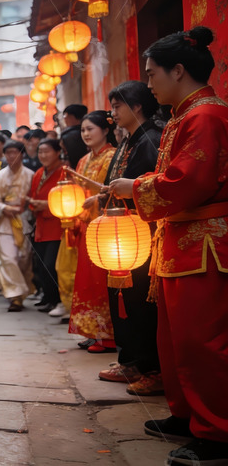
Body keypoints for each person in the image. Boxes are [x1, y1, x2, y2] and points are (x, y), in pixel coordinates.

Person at [109, 26, 228, 465]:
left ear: (178, 70)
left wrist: (133, 187)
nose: (149, 81)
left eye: (152, 73)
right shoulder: (184, 115)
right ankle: (188, 415)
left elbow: (189, 182)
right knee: (176, 339)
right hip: (181, 243)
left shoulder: (206, 116)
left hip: (205, 245)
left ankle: (217, 434)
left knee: (203, 341)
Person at [96, 81, 163, 396]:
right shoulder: (131, 140)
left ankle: (150, 367)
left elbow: (151, 186)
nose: (113, 114)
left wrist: (125, 190)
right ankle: (132, 360)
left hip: (140, 233)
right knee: (125, 300)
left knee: (140, 302)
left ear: (137, 107)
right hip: (123, 233)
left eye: (117, 106)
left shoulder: (149, 139)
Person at [68, 111, 118, 353]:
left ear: (106, 130)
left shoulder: (113, 156)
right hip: (87, 225)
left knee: (102, 280)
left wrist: (98, 198)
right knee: (87, 280)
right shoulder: (83, 161)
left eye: (90, 129)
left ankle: (108, 335)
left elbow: (114, 190)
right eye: (83, 130)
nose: (86, 134)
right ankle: (91, 330)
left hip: (105, 226)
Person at [0, 140, 35, 312]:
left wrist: (25, 206)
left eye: (16, 152)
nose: (12, 156)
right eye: (9, 153)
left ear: (22, 154)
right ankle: (14, 296)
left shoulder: (30, 175)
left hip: (24, 221)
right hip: (5, 224)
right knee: (8, 259)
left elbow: (34, 198)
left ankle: (20, 294)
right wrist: (4, 208)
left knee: (23, 259)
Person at [27, 138, 65, 315]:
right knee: (42, 264)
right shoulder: (39, 173)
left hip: (57, 226)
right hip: (41, 225)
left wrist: (45, 205)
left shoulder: (65, 172)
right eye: (40, 151)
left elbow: (67, 200)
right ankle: (49, 297)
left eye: (47, 151)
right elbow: (33, 195)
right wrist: (34, 203)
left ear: (58, 152)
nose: (43, 155)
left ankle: (58, 299)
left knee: (52, 264)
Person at [60, 104, 89, 169]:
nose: (65, 119)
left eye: (65, 116)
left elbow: (74, 157)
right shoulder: (84, 131)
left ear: (72, 116)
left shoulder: (70, 135)